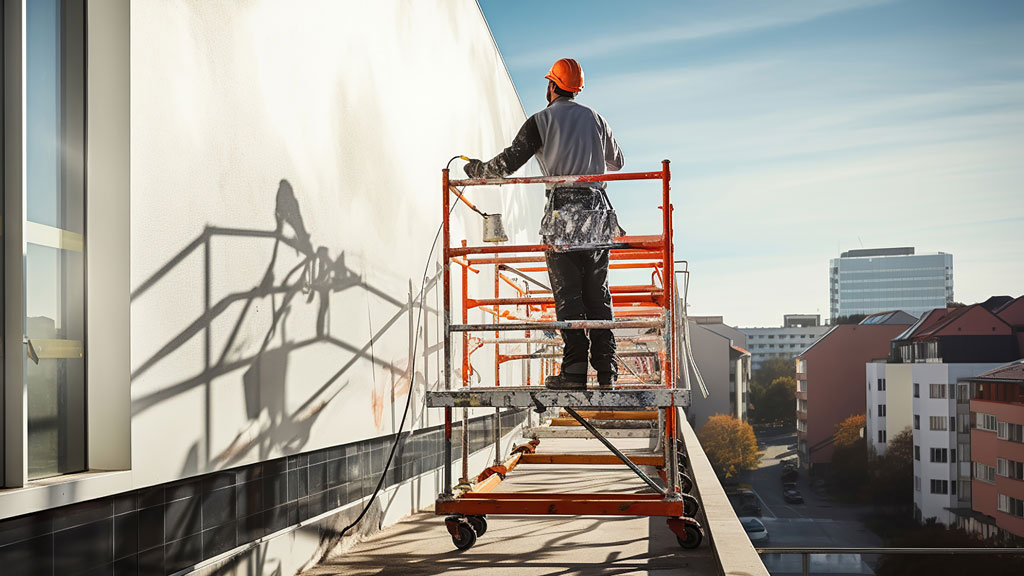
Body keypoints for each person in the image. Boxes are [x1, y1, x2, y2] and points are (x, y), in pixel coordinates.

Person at [464, 58, 624, 390]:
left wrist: (478, 170)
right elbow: (618, 162)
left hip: (563, 212)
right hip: (597, 212)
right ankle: (607, 370)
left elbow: (507, 164)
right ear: (577, 89)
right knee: (598, 293)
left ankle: (575, 370)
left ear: (552, 86)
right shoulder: (596, 119)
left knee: (569, 294)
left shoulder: (541, 120)